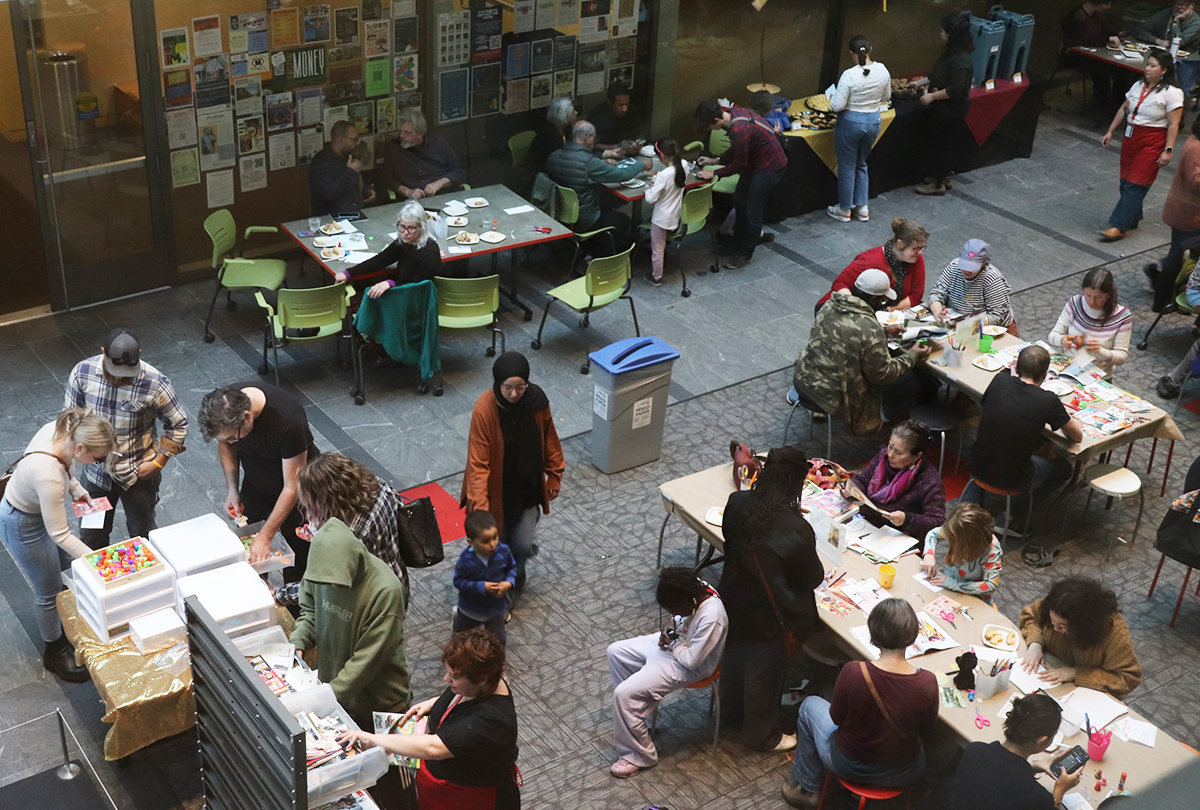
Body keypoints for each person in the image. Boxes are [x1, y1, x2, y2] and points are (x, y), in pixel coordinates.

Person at [337, 628, 520, 809]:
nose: (445, 678)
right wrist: (435, 703)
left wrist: (372, 738)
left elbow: (434, 748)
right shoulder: (481, 684)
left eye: (454, 677)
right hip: (442, 788)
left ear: (481, 679)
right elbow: (463, 702)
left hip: (467, 798)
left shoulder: (493, 720)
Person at [718, 447, 825, 752]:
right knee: (762, 673)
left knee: (736, 657)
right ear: (795, 484)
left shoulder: (737, 502)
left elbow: (730, 539)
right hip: (770, 614)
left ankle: (731, 714)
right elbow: (812, 578)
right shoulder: (797, 529)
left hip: (732, 597)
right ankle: (762, 734)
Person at [782, 599, 939, 807]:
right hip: (903, 771)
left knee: (809, 705)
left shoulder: (854, 671)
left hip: (848, 764)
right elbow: (927, 730)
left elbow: (836, 718)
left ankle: (808, 788)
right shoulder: (927, 682)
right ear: (912, 636)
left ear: (873, 632)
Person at [0, 408, 115, 682]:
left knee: (64, 572)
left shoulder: (62, 432)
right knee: (49, 590)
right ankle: (54, 652)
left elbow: (67, 467)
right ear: (80, 447)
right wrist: (98, 560)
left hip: (37, 510)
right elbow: (60, 535)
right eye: (96, 458)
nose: (97, 463)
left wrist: (77, 488)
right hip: (23, 523)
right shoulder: (48, 476)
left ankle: (65, 627)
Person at [65, 329, 189, 548]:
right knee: (91, 537)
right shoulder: (81, 373)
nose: (120, 376)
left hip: (138, 476)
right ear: (103, 352)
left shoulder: (155, 383)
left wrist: (158, 462)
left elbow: (178, 424)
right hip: (95, 476)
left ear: (139, 355)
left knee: (142, 536)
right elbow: (70, 419)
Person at [607, 568, 728, 778]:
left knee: (623, 694)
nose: (674, 614)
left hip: (690, 666)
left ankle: (640, 755)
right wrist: (669, 632)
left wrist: (672, 642)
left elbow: (692, 661)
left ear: (687, 600)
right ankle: (643, 717)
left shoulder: (712, 616)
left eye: (674, 608)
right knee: (616, 652)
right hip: (677, 646)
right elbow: (679, 624)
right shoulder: (694, 590)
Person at [463, 352, 564, 604]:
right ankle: (503, 599)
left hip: (527, 489)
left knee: (522, 545)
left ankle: (515, 577)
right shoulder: (485, 408)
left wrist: (555, 474)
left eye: (521, 387)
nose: (514, 394)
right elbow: (478, 462)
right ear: (498, 384)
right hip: (496, 492)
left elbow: (549, 438)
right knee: (498, 547)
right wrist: (480, 507)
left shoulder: (537, 402)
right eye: (508, 387)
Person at [289, 514, 409, 719]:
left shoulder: (385, 591)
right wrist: (299, 642)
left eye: (339, 581)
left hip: (378, 703)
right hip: (333, 689)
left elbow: (367, 659)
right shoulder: (320, 570)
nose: (332, 586)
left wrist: (326, 697)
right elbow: (310, 611)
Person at [197, 384, 319, 583]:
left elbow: (292, 486)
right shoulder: (225, 405)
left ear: (247, 417)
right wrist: (232, 490)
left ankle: (294, 606)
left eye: (233, 438)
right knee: (250, 554)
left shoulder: (288, 420)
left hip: (299, 493)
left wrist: (266, 535)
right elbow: (225, 444)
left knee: (298, 557)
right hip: (257, 483)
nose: (230, 441)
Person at [792, 269, 933, 436]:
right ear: (873, 299)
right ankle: (896, 428)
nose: (884, 303)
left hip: (802, 379)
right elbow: (883, 374)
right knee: (909, 381)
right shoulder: (869, 327)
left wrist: (885, 331)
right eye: (883, 300)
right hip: (829, 395)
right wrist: (913, 354)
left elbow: (849, 331)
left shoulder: (830, 305)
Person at [271, 453, 410, 606]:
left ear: (325, 501)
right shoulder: (380, 486)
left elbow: (325, 586)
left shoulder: (347, 535)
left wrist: (279, 595)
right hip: (396, 578)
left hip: (371, 601)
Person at [962, 346, 1083, 519]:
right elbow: (1077, 436)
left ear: (1016, 368)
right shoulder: (1048, 400)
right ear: (1045, 373)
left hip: (976, 463)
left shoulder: (999, 380)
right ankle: (1014, 516)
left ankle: (968, 512)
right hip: (1013, 478)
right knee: (1064, 469)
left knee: (998, 450)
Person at [693, 97, 788, 269]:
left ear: (716, 120)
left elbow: (739, 164)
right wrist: (716, 160)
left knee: (753, 208)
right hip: (756, 163)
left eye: (709, 127)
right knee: (739, 201)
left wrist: (714, 173)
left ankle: (745, 252)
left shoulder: (739, 128)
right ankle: (739, 241)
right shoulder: (735, 114)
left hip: (770, 166)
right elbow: (739, 149)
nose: (710, 130)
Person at [1100, 49, 1183, 242]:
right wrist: (1111, 130)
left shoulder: (1172, 93)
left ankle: (1118, 225)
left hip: (1152, 141)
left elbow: (1174, 124)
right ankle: (1133, 217)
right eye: (1147, 64)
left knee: (1136, 184)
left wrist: (1168, 150)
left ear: (1164, 70)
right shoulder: (1138, 86)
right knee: (1125, 180)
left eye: (1153, 66)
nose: (1147, 69)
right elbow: (1124, 108)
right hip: (1131, 138)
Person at [946, 693, 1081, 810]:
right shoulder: (1036, 797)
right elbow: (1012, 784)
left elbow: (1000, 776)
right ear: (1041, 740)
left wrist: (1033, 767)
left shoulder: (975, 751)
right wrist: (1059, 791)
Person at [1019, 576, 1142, 699]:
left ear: (1083, 625)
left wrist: (1075, 673)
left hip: (1086, 693)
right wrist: (1035, 643)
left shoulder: (1114, 633)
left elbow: (1126, 679)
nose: (1056, 629)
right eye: (1052, 621)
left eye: (1063, 626)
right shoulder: (1057, 604)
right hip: (1050, 671)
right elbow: (1030, 616)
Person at [544, 120, 648, 249]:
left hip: (559, 214)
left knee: (609, 202)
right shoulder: (589, 163)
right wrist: (642, 164)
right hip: (585, 219)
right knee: (624, 220)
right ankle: (602, 249)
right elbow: (622, 175)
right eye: (594, 136)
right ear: (588, 138)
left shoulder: (553, 156)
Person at [843, 420, 946, 540]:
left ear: (917, 456)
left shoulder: (930, 481)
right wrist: (852, 488)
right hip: (868, 523)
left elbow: (937, 521)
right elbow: (862, 480)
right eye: (890, 446)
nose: (890, 454)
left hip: (899, 536)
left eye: (898, 452)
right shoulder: (883, 457)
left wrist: (906, 519)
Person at [827, 35, 891, 223]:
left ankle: (845, 209)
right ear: (870, 49)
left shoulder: (849, 75)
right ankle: (862, 208)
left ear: (851, 53)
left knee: (847, 166)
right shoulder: (882, 70)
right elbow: (886, 96)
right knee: (861, 163)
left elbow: (837, 106)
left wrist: (831, 98)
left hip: (850, 122)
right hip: (873, 120)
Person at [913, 12, 975, 196]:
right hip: (943, 109)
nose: (941, 33)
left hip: (951, 111)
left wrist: (932, 97)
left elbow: (957, 89)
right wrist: (921, 82)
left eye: (943, 31)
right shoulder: (951, 54)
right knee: (939, 144)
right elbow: (939, 73)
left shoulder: (961, 59)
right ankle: (940, 176)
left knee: (943, 147)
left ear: (951, 35)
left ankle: (938, 183)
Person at [815, 219, 928, 312]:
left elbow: (916, 295)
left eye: (922, 248)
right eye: (915, 248)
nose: (920, 252)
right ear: (900, 244)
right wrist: (853, 309)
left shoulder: (916, 258)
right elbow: (840, 284)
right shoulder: (868, 260)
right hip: (840, 310)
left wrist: (891, 310)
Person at [333, 200, 442, 297]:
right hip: (402, 291)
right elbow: (380, 260)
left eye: (411, 228)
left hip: (415, 299)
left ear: (422, 227)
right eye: (402, 226)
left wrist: (391, 283)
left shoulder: (430, 252)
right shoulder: (403, 242)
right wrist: (348, 273)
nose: (405, 232)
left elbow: (418, 287)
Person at [1048, 268, 1132, 377]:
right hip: (1068, 370)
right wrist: (1062, 340)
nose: (1092, 302)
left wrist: (1100, 351)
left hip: (1098, 378)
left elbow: (1121, 357)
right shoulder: (1075, 303)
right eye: (1088, 295)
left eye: (1098, 297)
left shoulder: (1122, 316)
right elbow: (1052, 335)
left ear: (1109, 294)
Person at [928, 239, 1017, 333]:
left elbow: (998, 316)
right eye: (964, 266)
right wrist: (939, 313)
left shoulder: (991, 278)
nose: (967, 271)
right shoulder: (953, 267)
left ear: (983, 264)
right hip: (957, 324)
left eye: (972, 268)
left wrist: (974, 321)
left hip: (991, 329)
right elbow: (937, 293)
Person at [453, 510, 516, 644]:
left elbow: (512, 567)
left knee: (499, 642)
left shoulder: (503, 551)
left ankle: (495, 665)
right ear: (471, 542)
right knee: (463, 640)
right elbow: (459, 582)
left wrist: (509, 582)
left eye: (495, 537)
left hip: (495, 609)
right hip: (470, 610)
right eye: (485, 541)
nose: (493, 544)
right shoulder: (465, 560)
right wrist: (482, 587)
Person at [920, 503, 1002, 601]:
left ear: (969, 542)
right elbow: (933, 534)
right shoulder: (957, 530)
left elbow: (990, 585)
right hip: (948, 587)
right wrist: (929, 554)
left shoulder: (991, 552)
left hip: (973, 598)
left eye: (954, 542)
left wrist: (952, 583)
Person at [381, 108, 466, 200]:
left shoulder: (438, 144)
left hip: (441, 196)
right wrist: (407, 191)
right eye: (400, 131)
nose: (402, 136)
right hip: (410, 202)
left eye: (407, 133)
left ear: (420, 134)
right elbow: (387, 179)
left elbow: (457, 170)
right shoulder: (394, 148)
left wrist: (438, 184)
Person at [642, 138, 690, 287]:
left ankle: (656, 276)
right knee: (662, 245)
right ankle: (663, 264)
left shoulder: (664, 175)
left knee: (657, 249)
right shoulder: (684, 165)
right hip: (676, 214)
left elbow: (650, 199)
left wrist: (648, 189)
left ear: (662, 156)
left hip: (661, 218)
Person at [1061, 2, 1126, 106]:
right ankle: (1102, 102)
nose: (1109, 7)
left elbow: (1100, 32)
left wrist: (1115, 34)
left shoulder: (1096, 15)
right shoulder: (1078, 16)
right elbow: (1086, 38)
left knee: (1122, 69)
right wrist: (1108, 38)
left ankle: (1115, 102)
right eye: (1106, 3)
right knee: (1103, 67)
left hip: (1090, 53)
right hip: (1074, 56)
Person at [309, 120, 372, 217]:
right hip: (333, 219)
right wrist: (350, 172)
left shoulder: (348, 155)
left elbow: (352, 185)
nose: (356, 143)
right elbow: (328, 193)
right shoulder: (321, 162)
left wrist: (366, 190)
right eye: (354, 140)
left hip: (356, 213)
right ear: (341, 141)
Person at [1161, 116, 1200, 267]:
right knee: (1179, 254)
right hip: (1187, 215)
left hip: (1191, 215)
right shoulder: (1196, 147)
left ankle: (1160, 272)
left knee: (1182, 252)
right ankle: (1162, 281)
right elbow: (1195, 182)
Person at [588, 82, 642, 153]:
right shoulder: (597, 116)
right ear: (610, 103)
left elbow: (639, 134)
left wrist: (638, 144)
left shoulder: (631, 112)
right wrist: (617, 147)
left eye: (627, 104)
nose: (624, 109)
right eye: (620, 105)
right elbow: (591, 145)